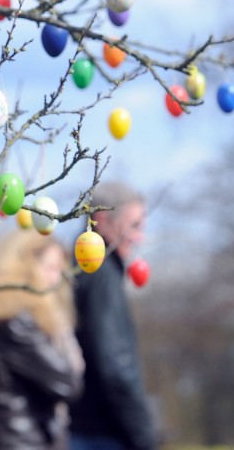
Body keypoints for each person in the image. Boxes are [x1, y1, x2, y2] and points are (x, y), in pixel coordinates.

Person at [0, 230, 84, 450]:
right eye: (51, 268)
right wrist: (61, 328)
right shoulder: (14, 327)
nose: (56, 279)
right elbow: (68, 382)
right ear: (23, 267)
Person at [70, 182, 156, 450]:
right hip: (102, 435)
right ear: (102, 219)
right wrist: (144, 436)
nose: (140, 237)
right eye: (134, 226)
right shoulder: (101, 276)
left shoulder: (80, 268)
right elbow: (116, 367)